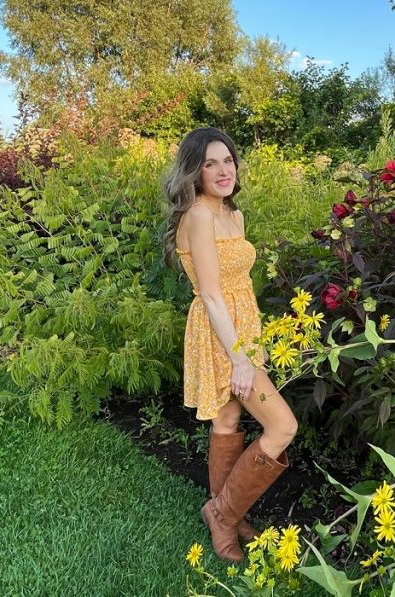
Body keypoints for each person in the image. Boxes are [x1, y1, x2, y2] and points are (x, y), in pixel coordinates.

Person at [163, 127, 298, 563]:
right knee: (282, 427)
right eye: (210, 163)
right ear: (194, 171)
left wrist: (254, 338)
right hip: (220, 331)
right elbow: (212, 294)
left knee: (228, 416)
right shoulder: (199, 216)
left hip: (244, 326)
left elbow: (239, 286)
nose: (223, 171)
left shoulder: (232, 215)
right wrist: (239, 358)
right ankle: (222, 515)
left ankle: (228, 514)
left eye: (228, 161)